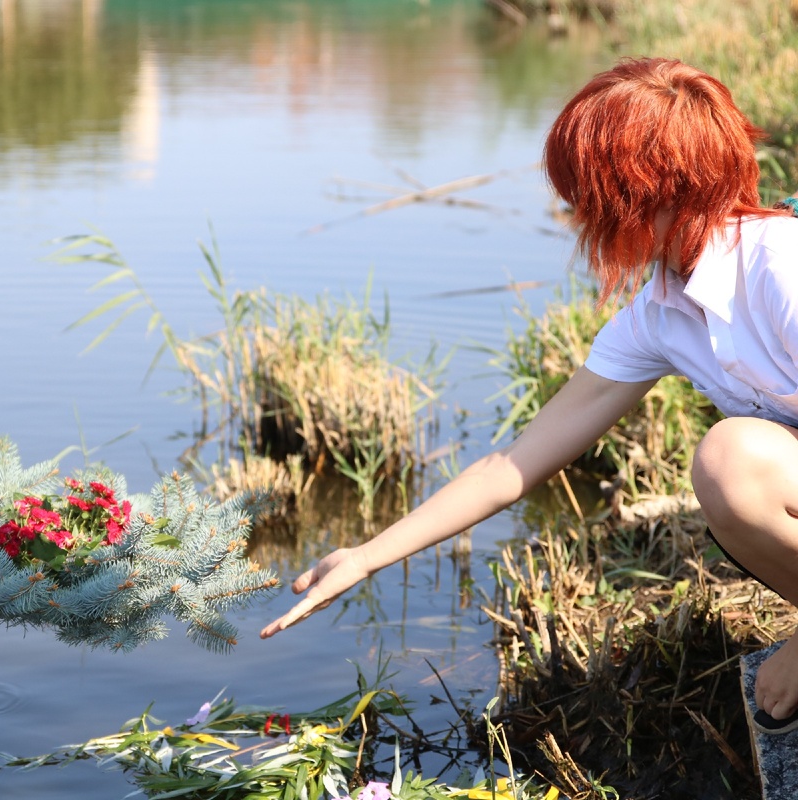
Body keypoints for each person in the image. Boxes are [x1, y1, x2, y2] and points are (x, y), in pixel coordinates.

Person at [260, 57, 798, 736]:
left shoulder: (781, 265)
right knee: (733, 478)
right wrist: (366, 555)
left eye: (590, 192)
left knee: (733, 459)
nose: (575, 212)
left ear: (652, 189)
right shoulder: (661, 313)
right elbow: (511, 468)